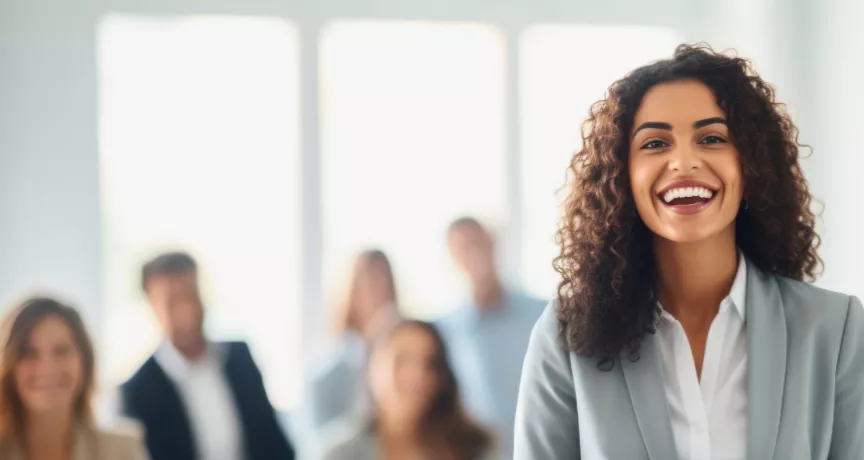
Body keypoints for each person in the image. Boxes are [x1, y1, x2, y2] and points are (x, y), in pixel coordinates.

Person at [515, 43, 864, 460]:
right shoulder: (566, 334)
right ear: (622, 176)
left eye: (712, 138)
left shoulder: (835, 329)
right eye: (655, 144)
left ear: (751, 166)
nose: (683, 162)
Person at [120, 251, 294, 460]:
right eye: (173, 301)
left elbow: (277, 445)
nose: (187, 311)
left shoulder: (240, 359)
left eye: (191, 295)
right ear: (152, 306)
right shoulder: (138, 391)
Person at [437, 217, 545, 457]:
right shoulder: (445, 332)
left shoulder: (541, 315)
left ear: (493, 245)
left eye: (478, 243)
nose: (474, 254)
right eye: (463, 248)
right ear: (453, 259)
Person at [320, 320, 494, 460]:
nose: (417, 376)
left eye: (429, 364)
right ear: (371, 369)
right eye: (402, 360)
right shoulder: (339, 453)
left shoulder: (474, 447)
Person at [0, 297, 148, 459]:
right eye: (29, 353)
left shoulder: (121, 451)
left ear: (85, 361)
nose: (48, 368)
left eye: (62, 351)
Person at [308, 249, 401, 433]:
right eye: (369, 283)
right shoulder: (331, 363)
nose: (378, 291)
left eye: (384, 281)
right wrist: (369, 343)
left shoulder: (404, 348)